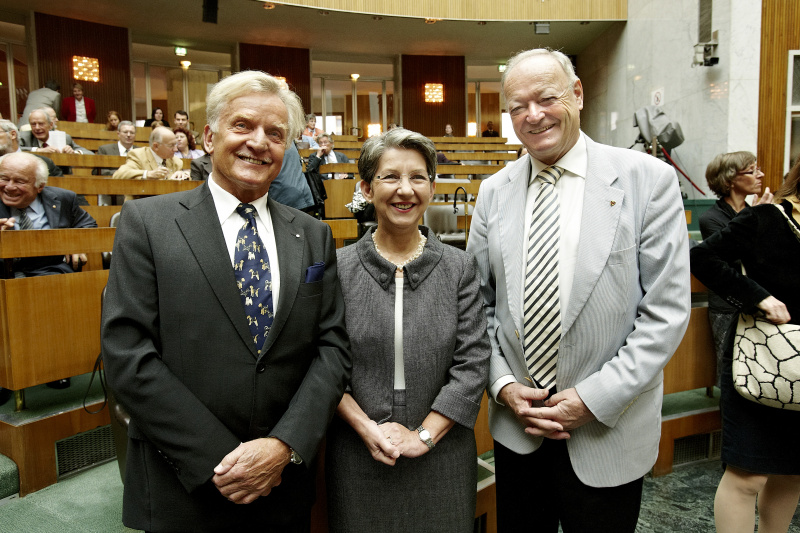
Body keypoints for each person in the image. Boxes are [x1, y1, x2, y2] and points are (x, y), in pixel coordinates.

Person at [101, 70, 352, 533]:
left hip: (283, 483)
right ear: (209, 135)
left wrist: (282, 445)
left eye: (276, 134)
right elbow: (127, 355)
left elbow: (332, 349)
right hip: (183, 481)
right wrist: (223, 461)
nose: (259, 142)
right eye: (243, 126)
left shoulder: (313, 234)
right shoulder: (147, 223)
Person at [466, 48, 691, 532]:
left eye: (547, 97)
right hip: (518, 429)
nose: (533, 115)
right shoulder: (493, 193)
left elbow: (666, 312)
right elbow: (476, 307)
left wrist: (591, 399)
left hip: (608, 429)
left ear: (578, 94)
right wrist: (503, 386)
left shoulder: (646, 180)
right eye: (517, 106)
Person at [326, 127, 490, 532]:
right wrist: (367, 428)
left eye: (418, 177)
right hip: (358, 450)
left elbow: (472, 363)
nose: (406, 190)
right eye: (390, 177)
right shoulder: (339, 268)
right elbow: (323, 362)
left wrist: (424, 436)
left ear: (432, 186)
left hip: (442, 454)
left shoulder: (458, 267)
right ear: (365, 187)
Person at [690, 159, 800, 533]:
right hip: (762, 359)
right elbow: (702, 258)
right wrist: (758, 298)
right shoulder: (769, 216)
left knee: (794, 472)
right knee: (748, 475)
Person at [699, 152, 773, 385]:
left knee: (762, 371)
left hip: (760, 299)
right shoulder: (710, 218)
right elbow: (730, 257)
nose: (760, 175)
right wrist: (754, 222)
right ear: (730, 180)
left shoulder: (758, 211)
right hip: (728, 306)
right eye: (751, 171)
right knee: (732, 374)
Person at [0, 152, 96, 275]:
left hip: (50, 271)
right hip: (5, 274)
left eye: (20, 181)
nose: (9, 187)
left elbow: (88, 225)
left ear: (40, 186)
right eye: (4, 179)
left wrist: (77, 244)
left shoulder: (62, 198)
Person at [112, 126, 188, 181]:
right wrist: (147, 174)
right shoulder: (138, 155)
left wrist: (183, 175)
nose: (175, 149)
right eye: (171, 145)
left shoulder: (176, 161)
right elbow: (118, 175)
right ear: (156, 146)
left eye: (175, 144)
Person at [19, 109, 93, 155]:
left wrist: (74, 152)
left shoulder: (64, 138)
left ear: (50, 125)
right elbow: (14, 150)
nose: (37, 128)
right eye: (33, 124)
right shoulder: (24, 137)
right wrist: (39, 150)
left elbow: (90, 153)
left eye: (41, 124)